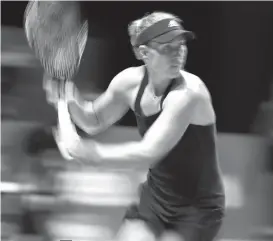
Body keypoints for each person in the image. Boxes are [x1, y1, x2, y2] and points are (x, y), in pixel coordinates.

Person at [49, 11, 226, 241]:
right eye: (167, 46)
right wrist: (70, 100)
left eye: (181, 44)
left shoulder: (189, 93)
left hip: (197, 209)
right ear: (145, 53)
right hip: (156, 200)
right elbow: (94, 120)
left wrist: (93, 154)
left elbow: (149, 152)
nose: (178, 52)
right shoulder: (129, 83)